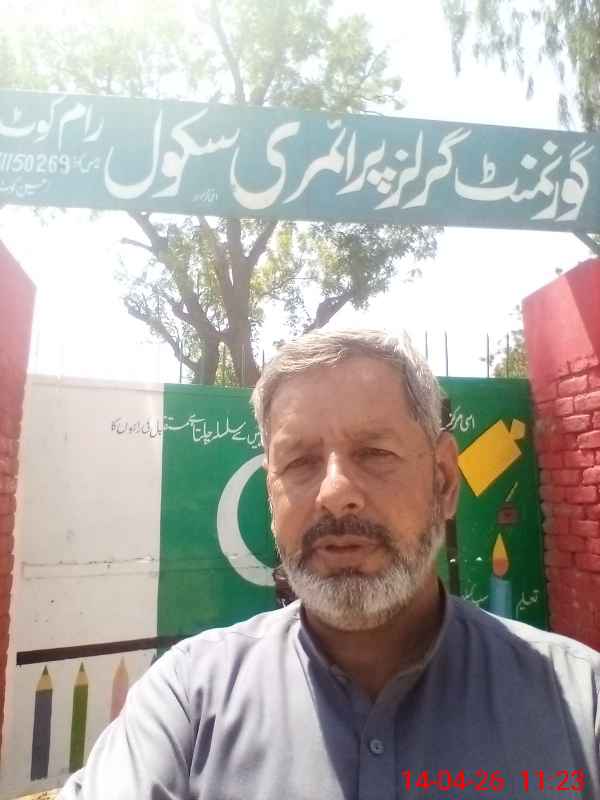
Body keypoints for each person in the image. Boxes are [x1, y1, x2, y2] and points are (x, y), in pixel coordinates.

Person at [59, 329, 600, 799]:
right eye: (299, 462)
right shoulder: (187, 702)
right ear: (271, 496)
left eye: (374, 453)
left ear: (444, 480)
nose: (335, 493)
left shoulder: (579, 702)